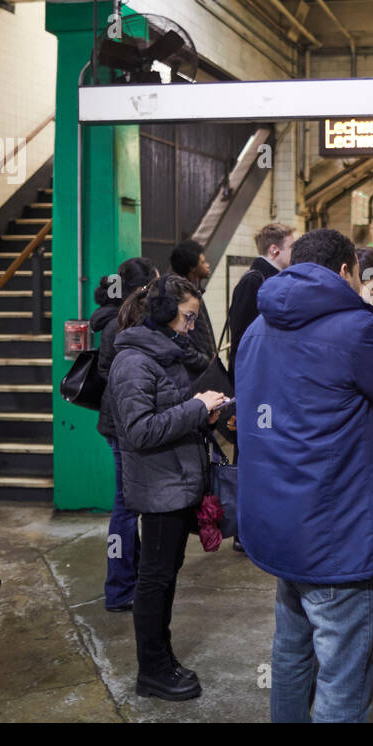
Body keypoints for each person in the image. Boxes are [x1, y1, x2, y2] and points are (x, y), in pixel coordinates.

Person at [235, 229, 373, 722]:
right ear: (345, 271)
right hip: (337, 532)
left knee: (292, 653)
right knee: (344, 673)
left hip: (278, 527)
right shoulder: (353, 332)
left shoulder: (258, 328)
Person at [109, 275, 228, 701]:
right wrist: (196, 407)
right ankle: (153, 672)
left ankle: (163, 659)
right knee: (154, 581)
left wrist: (203, 414)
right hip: (159, 487)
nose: (192, 325)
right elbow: (140, 430)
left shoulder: (165, 354)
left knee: (165, 577)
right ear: (164, 313)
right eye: (188, 316)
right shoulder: (134, 362)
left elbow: (171, 410)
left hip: (177, 482)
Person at [91, 256, 158, 612]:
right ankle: (119, 589)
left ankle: (127, 580)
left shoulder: (113, 320)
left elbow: (104, 370)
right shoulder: (126, 323)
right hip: (125, 425)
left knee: (127, 504)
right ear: (144, 285)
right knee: (126, 507)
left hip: (116, 423)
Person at [229, 223, 294, 379]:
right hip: (254, 372)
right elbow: (243, 335)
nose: (296, 252)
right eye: (292, 247)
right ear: (274, 250)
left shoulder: (270, 279)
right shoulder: (253, 281)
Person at [169, 240, 217, 368]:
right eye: (203, 262)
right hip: (193, 375)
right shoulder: (181, 297)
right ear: (192, 268)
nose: (207, 265)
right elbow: (179, 341)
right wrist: (206, 362)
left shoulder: (194, 292)